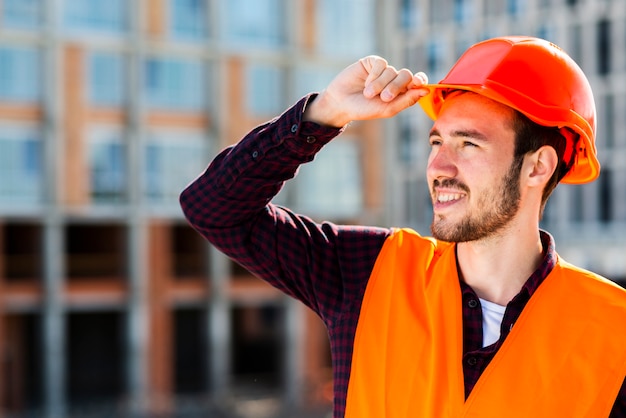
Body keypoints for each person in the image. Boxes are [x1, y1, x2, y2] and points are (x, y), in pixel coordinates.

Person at [180, 36, 626, 417]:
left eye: (468, 144)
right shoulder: (367, 271)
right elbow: (213, 207)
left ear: (537, 167)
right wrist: (325, 113)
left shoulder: (614, 331)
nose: (438, 166)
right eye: (437, 141)